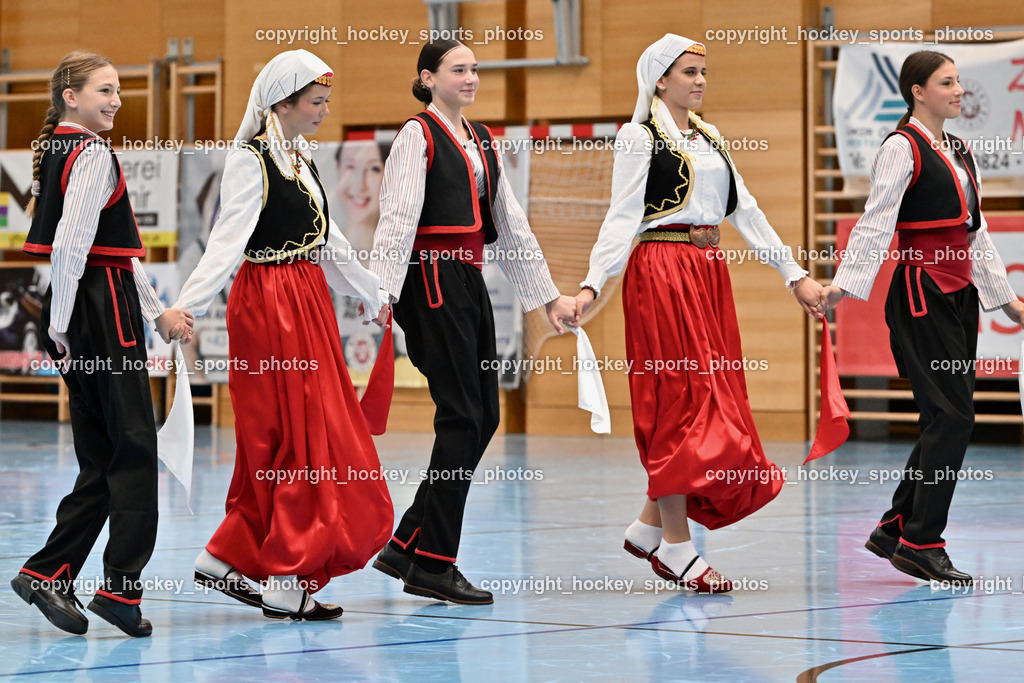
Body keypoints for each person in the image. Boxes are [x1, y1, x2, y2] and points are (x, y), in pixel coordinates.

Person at [575, 34, 823, 593]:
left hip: (709, 273)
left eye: (703, 72)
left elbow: (747, 210)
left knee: (712, 403)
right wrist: (592, 285)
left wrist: (795, 275)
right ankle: (677, 545)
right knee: (681, 406)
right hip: (662, 272)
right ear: (660, 80)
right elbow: (621, 218)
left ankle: (647, 527)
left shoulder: (710, 135)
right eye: (689, 72)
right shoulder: (638, 138)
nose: (700, 81)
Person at [174, 49, 394, 620]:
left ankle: (229, 556)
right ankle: (286, 574)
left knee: (289, 434)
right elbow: (226, 241)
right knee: (300, 432)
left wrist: (372, 291)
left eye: (325, 102)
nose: (324, 111)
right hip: (271, 304)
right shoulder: (251, 161)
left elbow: (330, 243)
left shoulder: (301, 157)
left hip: (306, 299)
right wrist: (187, 306)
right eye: (316, 103)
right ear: (284, 103)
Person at [369, 39, 578, 605]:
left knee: (483, 415)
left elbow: (509, 227)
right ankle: (434, 563)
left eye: (474, 70)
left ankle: (408, 541)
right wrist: (382, 291)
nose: (470, 78)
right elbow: (397, 219)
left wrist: (549, 299)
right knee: (463, 416)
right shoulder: (418, 135)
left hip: (467, 283)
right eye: (458, 69)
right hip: (430, 280)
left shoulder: (482, 139)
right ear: (427, 78)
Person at [821, 50, 1024, 585]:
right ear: (917, 91)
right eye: (947, 82)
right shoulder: (900, 148)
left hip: (958, 297)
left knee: (944, 418)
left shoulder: (958, 148)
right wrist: (842, 287)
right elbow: (874, 223)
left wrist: (1006, 301)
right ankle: (921, 541)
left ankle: (895, 527)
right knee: (954, 418)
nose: (959, 91)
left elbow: (974, 234)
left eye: (959, 81)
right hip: (920, 293)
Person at [10, 51, 194, 637]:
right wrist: (64, 325)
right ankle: (121, 589)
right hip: (96, 311)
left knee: (107, 456)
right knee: (136, 449)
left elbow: (111, 252)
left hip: (92, 305)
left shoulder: (63, 150)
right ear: (71, 96)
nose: (116, 101)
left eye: (119, 91)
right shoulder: (89, 154)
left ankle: (49, 573)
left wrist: (157, 310)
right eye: (105, 90)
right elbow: (72, 248)